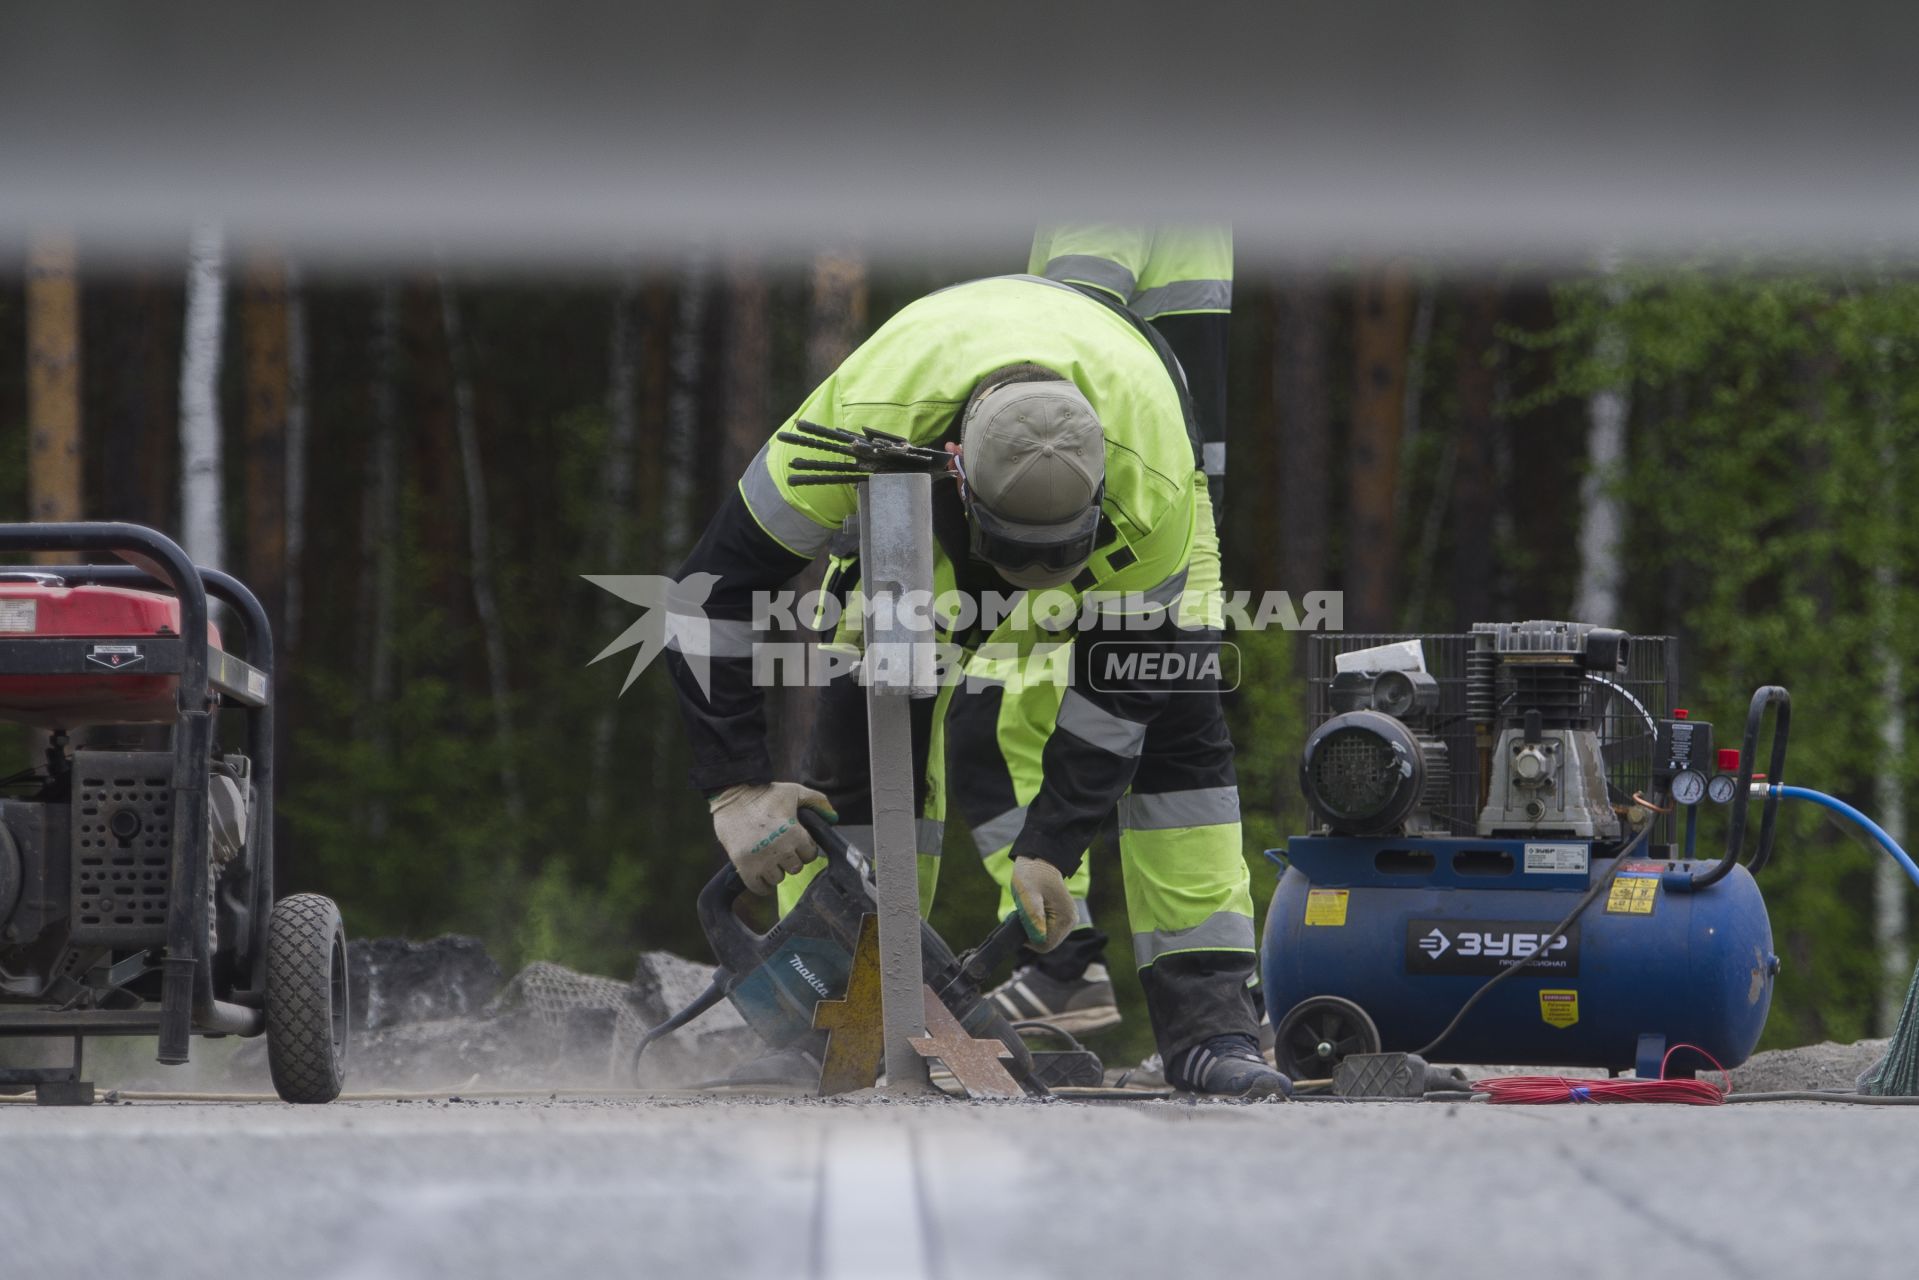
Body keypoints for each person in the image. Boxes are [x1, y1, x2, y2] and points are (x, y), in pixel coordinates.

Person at [664, 271, 1285, 1097]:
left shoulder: (1153, 479)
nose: (1032, 586)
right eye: (1015, 557)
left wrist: (1049, 848)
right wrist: (735, 786)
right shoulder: (861, 421)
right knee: (861, 737)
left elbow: (1121, 686)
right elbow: (711, 590)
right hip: (909, 487)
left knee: (1178, 731)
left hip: (1130, 461)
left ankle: (1212, 1029)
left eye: (1051, 560)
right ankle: (827, 1029)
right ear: (958, 476)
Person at [961, 225, 1234, 1034]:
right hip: (1169, 503)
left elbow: (1064, 337)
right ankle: (1214, 1012)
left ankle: (1061, 967)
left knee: (996, 712)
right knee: (1181, 761)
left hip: (1096, 503)